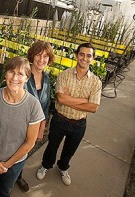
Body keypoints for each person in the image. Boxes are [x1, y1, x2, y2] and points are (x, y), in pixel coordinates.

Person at [36, 43, 102, 186]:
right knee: (52, 146)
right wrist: (84, 101)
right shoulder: (64, 75)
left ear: (93, 59)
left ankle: (63, 167)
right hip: (60, 120)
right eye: (82, 54)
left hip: (79, 123)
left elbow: (93, 108)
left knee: (69, 150)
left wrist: (69, 100)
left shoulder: (96, 82)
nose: (84, 58)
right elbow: (60, 98)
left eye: (88, 55)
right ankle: (46, 165)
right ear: (76, 55)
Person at [0, 56, 45, 197]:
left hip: (14, 163)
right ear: (5, 74)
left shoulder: (33, 105)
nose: (15, 78)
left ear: (27, 78)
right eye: (11, 72)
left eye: (20, 74)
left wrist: (6, 165)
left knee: (4, 192)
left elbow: (29, 142)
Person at [16, 40, 55, 192]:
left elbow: (45, 107)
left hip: (33, 128)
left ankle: (17, 176)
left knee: (23, 154)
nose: (41, 59)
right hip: (18, 124)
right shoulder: (22, 74)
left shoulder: (46, 79)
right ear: (32, 56)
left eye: (46, 56)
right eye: (38, 54)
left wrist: (41, 128)